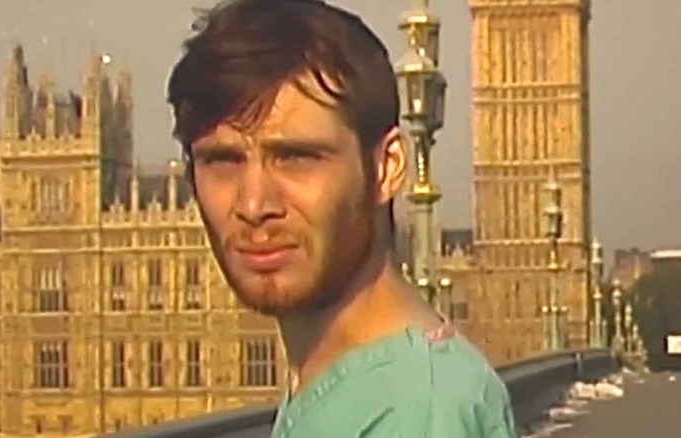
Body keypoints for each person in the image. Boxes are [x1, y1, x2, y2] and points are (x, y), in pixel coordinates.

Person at [166, 0, 517, 436]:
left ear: (387, 168)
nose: (254, 204)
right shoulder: (341, 381)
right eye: (222, 162)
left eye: (295, 158)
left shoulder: (413, 414)